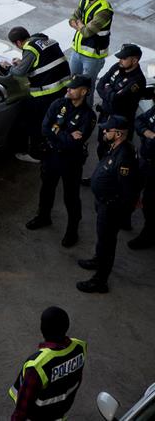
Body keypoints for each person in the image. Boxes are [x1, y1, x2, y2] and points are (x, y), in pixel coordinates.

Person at [25, 75, 96, 247]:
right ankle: (44, 217)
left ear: (84, 91)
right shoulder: (59, 104)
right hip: (51, 156)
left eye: (73, 88)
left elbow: (75, 142)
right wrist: (65, 134)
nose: (68, 90)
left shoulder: (88, 116)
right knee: (46, 189)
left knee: (71, 197)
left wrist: (56, 132)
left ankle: (72, 230)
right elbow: (44, 128)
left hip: (71, 161)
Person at [77, 115, 138, 293]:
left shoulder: (125, 156)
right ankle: (98, 260)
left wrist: (118, 210)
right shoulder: (114, 147)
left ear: (118, 134)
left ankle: (100, 281)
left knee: (107, 243)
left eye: (107, 130)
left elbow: (128, 189)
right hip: (103, 202)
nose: (104, 131)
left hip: (111, 207)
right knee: (102, 239)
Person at [2, 27, 71, 163]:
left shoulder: (30, 49)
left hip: (47, 92)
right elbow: (43, 61)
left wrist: (9, 67)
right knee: (54, 118)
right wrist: (22, 63)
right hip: (63, 88)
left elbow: (19, 73)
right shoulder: (48, 41)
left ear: (18, 43)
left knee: (33, 122)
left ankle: (35, 153)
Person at [9, 307, 86, 421]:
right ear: (67, 326)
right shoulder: (80, 346)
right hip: (60, 414)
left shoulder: (37, 365)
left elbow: (23, 406)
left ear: (42, 328)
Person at [94, 44, 146, 158]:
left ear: (134, 60)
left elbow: (117, 100)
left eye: (124, 58)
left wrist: (108, 89)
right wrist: (111, 92)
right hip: (105, 116)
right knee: (101, 147)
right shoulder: (118, 66)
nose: (120, 60)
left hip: (119, 123)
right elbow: (100, 85)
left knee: (116, 154)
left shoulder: (138, 80)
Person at [68, 0, 113, 105]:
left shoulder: (104, 9)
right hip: (76, 52)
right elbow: (71, 19)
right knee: (73, 84)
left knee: (86, 89)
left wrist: (80, 25)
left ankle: (85, 115)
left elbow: (87, 32)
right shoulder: (84, 1)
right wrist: (81, 25)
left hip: (92, 57)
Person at [130, 99, 155, 249]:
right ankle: (125, 219)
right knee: (132, 190)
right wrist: (149, 133)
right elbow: (139, 120)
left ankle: (148, 235)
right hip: (144, 161)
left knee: (150, 203)